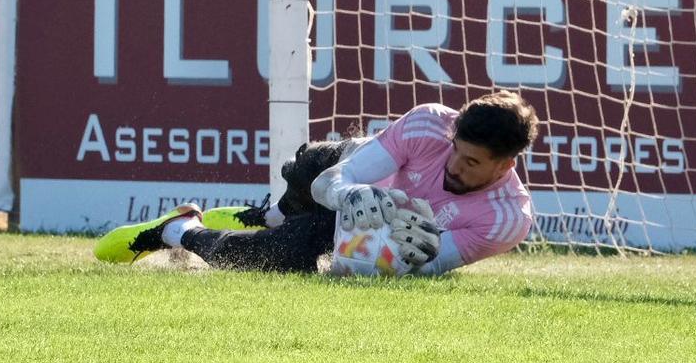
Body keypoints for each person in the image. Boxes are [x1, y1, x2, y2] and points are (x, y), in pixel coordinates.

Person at [93, 90, 539, 276]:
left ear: (505, 165)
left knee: (286, 255)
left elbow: (425, 264)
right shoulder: (430, 124)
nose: (455, 166)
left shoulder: (506, 219)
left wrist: (377, 250)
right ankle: (268, 215)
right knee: (308, 169)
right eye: (456, 149)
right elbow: (334, 179)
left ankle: (178, 229)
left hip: (359, 232)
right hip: (331, 171)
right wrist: (356, 195)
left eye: (473, 162)